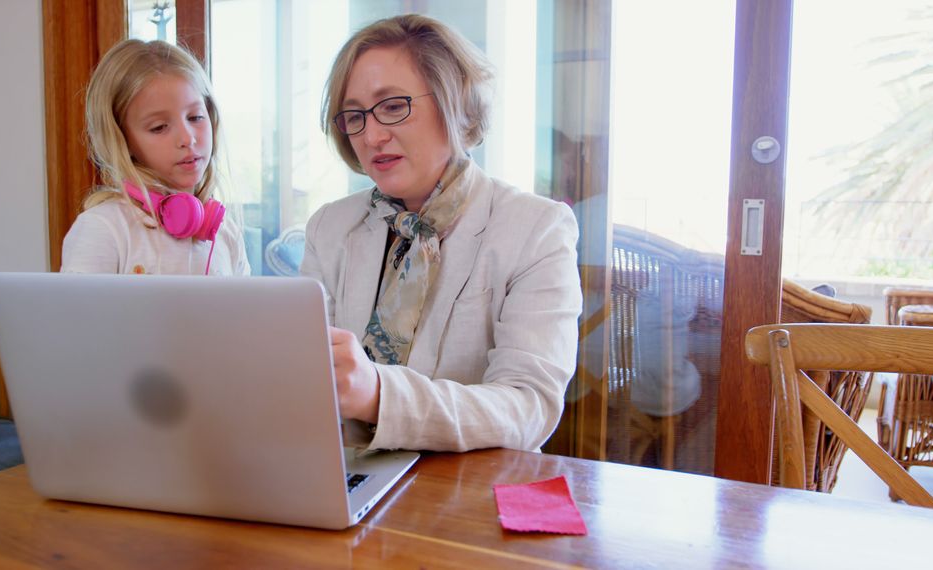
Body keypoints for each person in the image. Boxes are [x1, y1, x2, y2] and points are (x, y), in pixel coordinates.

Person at [301, 14, 582, 452]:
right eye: (354, 115)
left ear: (456, 102)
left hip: (468, 494)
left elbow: (529, 408)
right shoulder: (329, 228)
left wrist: (379, 395)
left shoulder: (535, 229)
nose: (372, 135)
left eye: (393, 106)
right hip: (345, 480)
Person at [61, 39, 250, 276]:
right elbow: (74, 313)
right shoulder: (104, 229)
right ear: (123, 140)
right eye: (159, 127)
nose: (187, 138)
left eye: (195, 117)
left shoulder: (225, 235)